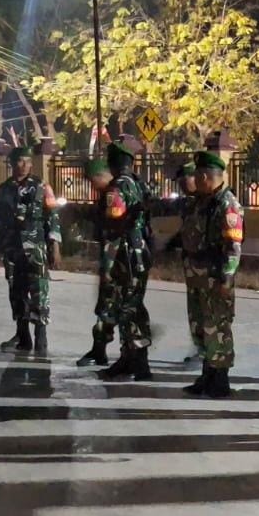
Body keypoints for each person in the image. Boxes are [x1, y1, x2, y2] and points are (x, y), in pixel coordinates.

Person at [180, 151, 245, 398]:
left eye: (197, 176)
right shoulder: (200, 201)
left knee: (217, 326)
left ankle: (220, 379)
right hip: (196, 274)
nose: (194, 180)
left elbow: (233, 245)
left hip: (215, 275)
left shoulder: (227, 204)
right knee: (199, 324)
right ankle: (207, 374)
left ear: (205, 177)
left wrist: (227, 278)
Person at [0, 146, 62, 355]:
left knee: (39, 291)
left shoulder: (42, 186)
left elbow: (53, 217)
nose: (24, 165)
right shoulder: (3, 190)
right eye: (19, 161)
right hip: (12, 248)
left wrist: (55, 246)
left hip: (35, 248)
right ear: (12, 163)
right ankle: (23, 336)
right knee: (16, 292)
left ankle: (41, 335)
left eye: (27, 161)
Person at [95, 142, 155, 381]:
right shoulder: (139, 184)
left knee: (129, 307)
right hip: (139, 253)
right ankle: (128, 358)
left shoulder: (117, 187)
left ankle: (139, 362)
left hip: (124, 256)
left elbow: (114, 228)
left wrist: (107, 265)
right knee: (130, 304)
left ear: (112, 164)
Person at [158, 162, 204, 366]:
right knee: (195, 309)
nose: (183, 187)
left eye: (186, 182)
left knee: (209, 311)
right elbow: (185, 226)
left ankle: (211, 355)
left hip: (208, 266)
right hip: (192, 264)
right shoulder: (188, 203)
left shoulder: (211, 202)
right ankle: (201, 348)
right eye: (180, 183)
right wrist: (172, 243)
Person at [76, 158, 118, 367]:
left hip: (117, 262)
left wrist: (108, 268)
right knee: (106, 307)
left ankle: (129, 358)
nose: (91, 186)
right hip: (113, 260)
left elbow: (114, 234)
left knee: (112, 307)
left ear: (100, 176)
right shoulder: (106, 196)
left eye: (92, 181)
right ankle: (100, 350)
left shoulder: (114, 194)